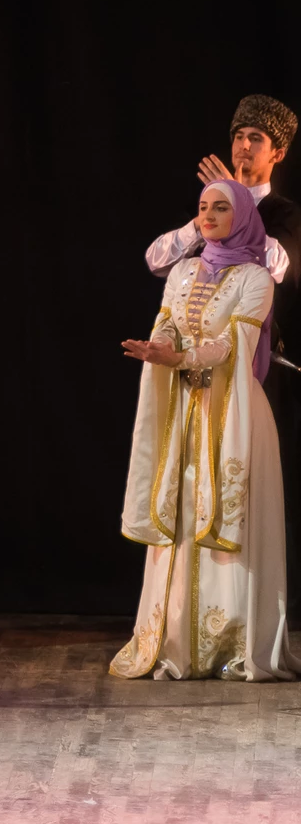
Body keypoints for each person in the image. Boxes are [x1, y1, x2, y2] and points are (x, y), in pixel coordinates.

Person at [113, 179, 297, 681]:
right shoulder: (184, 270)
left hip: (234, 412)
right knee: (180, 508)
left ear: (243, 216)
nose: (210, 216)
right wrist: (160, 348)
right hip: (184, 409)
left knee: (228, 515)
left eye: (221, 208)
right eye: (203, 207)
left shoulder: (257, 278)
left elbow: (232, 347)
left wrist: (181, 357)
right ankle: (173, 640)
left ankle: (231, 644)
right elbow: (168, 324)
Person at [145, 95, 301, 611]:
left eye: (257, 138)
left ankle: (248, 612)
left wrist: (240, 209)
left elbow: (277, 268)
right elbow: (158, 260)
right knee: (193, 487)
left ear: (277, 153)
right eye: (238, 136)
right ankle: (192, 609)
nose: (244, 146)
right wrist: (215, 208)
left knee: (247, 489)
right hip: (195, 376)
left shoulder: (283, 215)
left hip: (255, 372)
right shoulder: (212, 210)